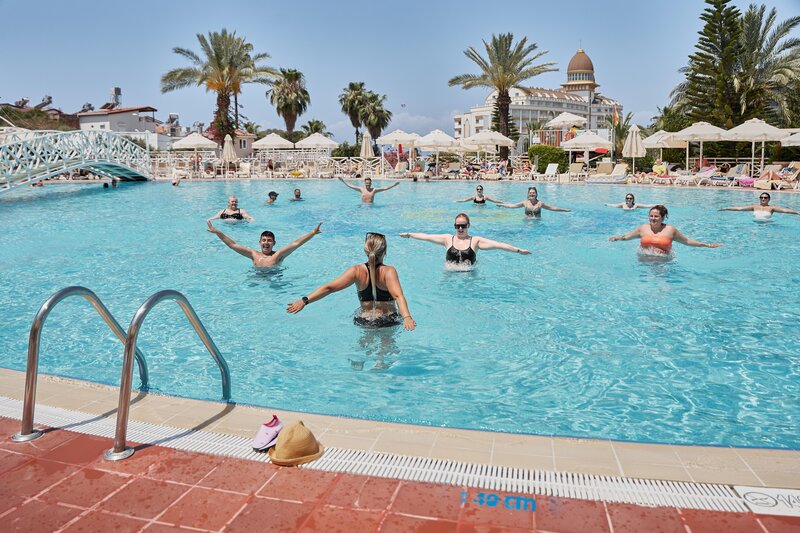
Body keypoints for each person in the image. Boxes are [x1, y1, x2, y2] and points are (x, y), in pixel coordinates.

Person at [286, 232, 415, 330]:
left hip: (364, 320)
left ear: (366, 250)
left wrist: (304, 300)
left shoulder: (356, 271)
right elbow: (398, 296)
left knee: (364, 349)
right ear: (385, 251)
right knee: (385, 352)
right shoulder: (388, 271)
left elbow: (330, 288)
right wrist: (407, 317)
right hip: (388, 320)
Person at [400, 213, 530, 267]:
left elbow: (498, 245)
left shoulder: (475, 241)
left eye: (463, 226)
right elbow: (427, 237)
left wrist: (518, 250)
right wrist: (410, 235)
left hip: (469, 278)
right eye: (457, 226)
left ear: (468, 225)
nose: (460, 228)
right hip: (450, 276)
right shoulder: (447, 239)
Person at [609, 205, 722, 256]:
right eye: (651, 216)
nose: (653, 218)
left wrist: (706, 245)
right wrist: (616, 238)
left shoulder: (670, 230)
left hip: (663, 263)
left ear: (663, 218)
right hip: (643, 261)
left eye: (656, 216)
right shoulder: (643, 228)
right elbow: (626, 237)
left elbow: (687, 241)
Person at [207, 221, 322, 268]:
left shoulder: (278, 255)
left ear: (274, 243)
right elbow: (233, 245)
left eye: (269, 240)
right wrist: (217, 232)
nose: (266, 243)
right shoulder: (254, 254)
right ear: (260, 242)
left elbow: (296, 243)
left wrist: (312, 233)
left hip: (275, 279)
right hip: (256, 279)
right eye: (264, 240)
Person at [496, 187, 571, 218]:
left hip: (538, 224)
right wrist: (502, 205)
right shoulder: (525, 203)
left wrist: (564, 210)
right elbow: (512, 206)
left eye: (533, 193)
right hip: (527, 223)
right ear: (528, 194)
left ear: (536, 194)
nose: (532, 194)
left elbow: (552, 208)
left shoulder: (540, 203)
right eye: (530, 193)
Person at [718, 192, 800, 221]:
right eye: (761, 197)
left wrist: (797, 212)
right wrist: (726, 208)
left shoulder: (772, 208)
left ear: (769, 199)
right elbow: (740, 208)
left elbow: (785, 210)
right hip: (755, 225)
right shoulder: (754, 206)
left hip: (767, 226)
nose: (763, 199)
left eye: (765, 197)